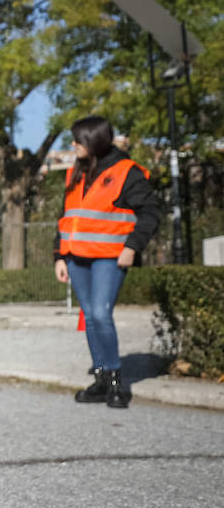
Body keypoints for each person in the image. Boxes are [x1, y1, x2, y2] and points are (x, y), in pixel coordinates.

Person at [55, 115, 160, 409]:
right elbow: (66, 219)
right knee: (89, 316)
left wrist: (133, 247)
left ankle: (116, 382)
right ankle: (100, 378)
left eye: (78, 139)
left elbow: (150, 212)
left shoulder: (127, 172)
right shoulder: (75, 173)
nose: (73, 144)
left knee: (101, 314)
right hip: (76, 258)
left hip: (110, 257)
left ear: (94, 141)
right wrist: (59, 256)